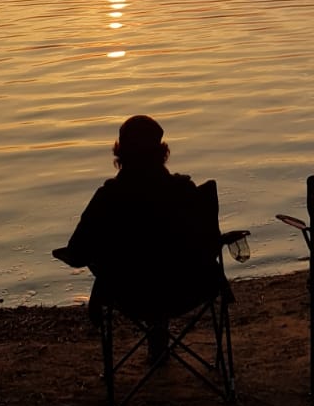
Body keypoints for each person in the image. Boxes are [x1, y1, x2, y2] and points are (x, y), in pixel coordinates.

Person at [54, 115, 219, 357]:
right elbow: (210, 244)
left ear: (120, 153)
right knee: (163, 267)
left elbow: (78, 252)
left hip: (129, 295)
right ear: (162, 152)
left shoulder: (108, 198)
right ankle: (159, 337)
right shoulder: (184, 192)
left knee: (135, 269)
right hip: (187, 290)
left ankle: (156, 337)